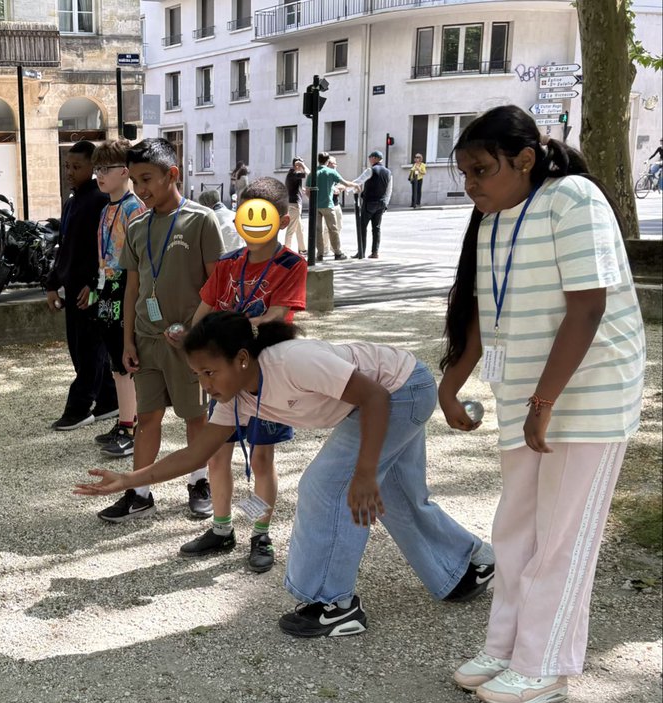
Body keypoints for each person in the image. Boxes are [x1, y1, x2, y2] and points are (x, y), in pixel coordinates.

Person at [77, 310, 494, 638]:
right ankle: (469, 563)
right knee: (396, 497)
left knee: (327, 487)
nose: (204, 385)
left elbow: (375, 396)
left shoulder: (293, 362)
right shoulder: (234, 396)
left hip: (401, 392)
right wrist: (131, 480)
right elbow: (196, 453)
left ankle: (335, 606)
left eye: (209, 372)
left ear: (242, 359)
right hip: (374, 402)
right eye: (197, 375)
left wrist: (365, 472)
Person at [438, 105, 646, 703]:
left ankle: (546, 662)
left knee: (562, 534)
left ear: (524, 159)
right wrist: (451, 385)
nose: (470, 184)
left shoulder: (573, 199)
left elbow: (587, 309)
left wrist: (544, 401)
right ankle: (507, 647)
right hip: (528, 397)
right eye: (465, 173)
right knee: (516, 527)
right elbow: (481, 314)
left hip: (586, 396)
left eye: (480, 170)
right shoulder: (495, 217)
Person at [178, 177, 306, 572]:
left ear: (281, 221)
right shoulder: (228, 264)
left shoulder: (291, 265)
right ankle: (221, 529)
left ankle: (260, 535)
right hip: (224, 376)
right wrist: (188, 340)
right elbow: (203, 310)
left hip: (262, 376)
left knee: (262, 459)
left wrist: (237, 324)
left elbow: (279, 315)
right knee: (218, 455)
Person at [96, 137, 224, 523]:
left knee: (194, 416)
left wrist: (195, 331)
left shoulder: (200, 220)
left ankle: (199, 483)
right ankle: (140, 492)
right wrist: (127, 341)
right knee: (147, 416)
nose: (141, 189)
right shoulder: (138, 225)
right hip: (148, 341)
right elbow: (133, 286)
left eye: (147, 178)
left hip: (189, 344)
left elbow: (216, 284)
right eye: (134, 180)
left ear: (173, 174)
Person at [44, 140, 118, 431]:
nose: (70, 172)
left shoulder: (101, 201)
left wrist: (94, 284)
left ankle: (79, 406)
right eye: (67, 166)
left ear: (93, 168)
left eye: (76, 167)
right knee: (79, 348)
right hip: (73, 288)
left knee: (89, 349)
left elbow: (107, 250)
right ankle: (109, 399)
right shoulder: (72, 202)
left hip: (91, 289)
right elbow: (64, 248)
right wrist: (51, 284)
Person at [90, 138, 148, 458]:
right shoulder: (108, 208)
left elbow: (139, 259)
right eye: (97, 168)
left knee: (125, 361)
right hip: (108, 288)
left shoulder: (132, 207)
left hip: (125, 288)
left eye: (106, 168)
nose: (99, 174)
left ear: (124, 171)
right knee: (116, 361)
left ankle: (132, 425)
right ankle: (126, 420)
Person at [352, 151, 392, 259]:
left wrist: (347, 187)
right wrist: (386, 204)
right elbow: (389, 190)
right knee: (376, 228)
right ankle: (375, 252)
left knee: (362, 227)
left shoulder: (371, 170)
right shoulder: (388, 172)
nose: (369, 159)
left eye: (370, 157)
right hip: (381, 203)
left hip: (369, 202)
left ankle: (361, 251)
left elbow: (359, 181)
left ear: (374, 158)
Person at [314, 153, 350, 261]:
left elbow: (342, 185)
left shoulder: (328, 173)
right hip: (329, 205)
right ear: (328, 162)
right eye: (334, 163)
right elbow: (345, 183)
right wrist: (355, 185)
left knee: (333, 228)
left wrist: (338, 188)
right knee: (329, 229)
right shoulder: (329, 172)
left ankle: (323, 252)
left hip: (333, 205)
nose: (335, 165)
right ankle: (331, 251)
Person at [199, 189, 245, 253]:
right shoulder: (234, 214)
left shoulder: (209, 219)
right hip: (241, 254)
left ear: (206, 205)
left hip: (224, 257)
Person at [284, 158, 308, 255]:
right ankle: (286, 251)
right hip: (294, 205)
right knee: (291, 229)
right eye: (300, 165)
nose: (302, 167)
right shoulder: (294, 174)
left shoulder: (291, 174)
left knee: (299, 228)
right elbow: (309, 173)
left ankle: (302, 249)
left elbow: (293, 187)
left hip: (293, 203)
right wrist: (303, 165)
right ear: (296, 165)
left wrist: (301, 189)